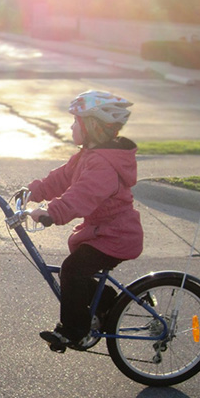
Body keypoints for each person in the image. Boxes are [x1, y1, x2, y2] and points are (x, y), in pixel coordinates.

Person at [19, 90, 143, 352]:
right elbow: (62, 178)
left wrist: (52, 212)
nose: (71, 127)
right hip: (103, 232)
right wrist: (34, 191)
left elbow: (82, 196)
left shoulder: (103, 165)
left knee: (73, 269)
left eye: (76, 122)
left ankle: (74, 331)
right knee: (78, 271)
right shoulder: (88, 155)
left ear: (93, 125)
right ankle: (107, 302)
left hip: (116, 236)